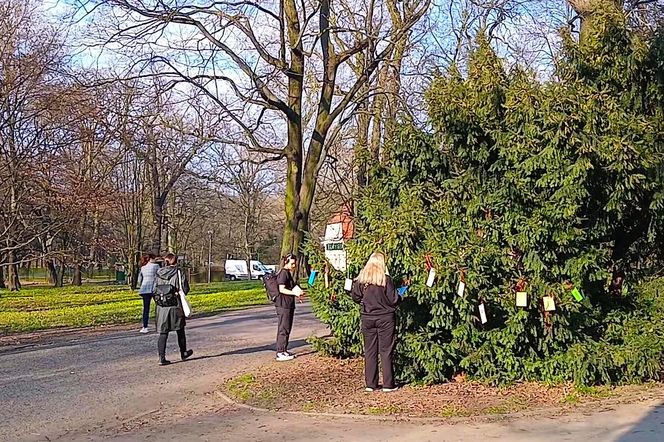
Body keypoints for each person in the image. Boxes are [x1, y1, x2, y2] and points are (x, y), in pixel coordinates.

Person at [351, 252, 399, 392]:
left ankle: (370, 384)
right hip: (385, 318)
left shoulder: (361, 281)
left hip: (367, 318)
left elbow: (355, 297)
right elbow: (394, 299)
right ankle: (388, 384)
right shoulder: (386, 280)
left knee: (370, 351)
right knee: (386, 350)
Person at [154, 253, 193, 366]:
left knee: (163, 332)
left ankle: (161, 357)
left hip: (161, 305)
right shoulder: (178, 272)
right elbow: (185, 288)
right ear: (176, 261)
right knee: (180, 329)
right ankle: (183, 352)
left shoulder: (159, 272)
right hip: (175, 304)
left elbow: (155, 287)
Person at [275, 253, 303, 361]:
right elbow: (281, 289)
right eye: (292, 263)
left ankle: (284, 350)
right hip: (283, 305)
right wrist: (293, 293)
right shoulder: (283, 273)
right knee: (283, 328)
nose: (294, 265)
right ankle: (280, 352)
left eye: (295, 263)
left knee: (287, 327)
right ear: (286, 262)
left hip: (288, 304)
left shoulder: (288, 273)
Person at [136, 253, 160, 333]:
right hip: (154, 289)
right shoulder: (156, 266)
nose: (155, 260)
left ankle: (145, 327)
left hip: (144, 290)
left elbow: (139, 280)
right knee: (158, 307)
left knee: (146, 309)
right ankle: (159, 325)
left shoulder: (143, 268)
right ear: (150, 259)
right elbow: (159, 276)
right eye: (154, 258)